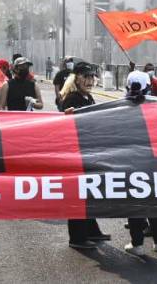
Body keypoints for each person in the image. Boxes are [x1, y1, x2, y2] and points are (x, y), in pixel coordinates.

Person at [60, 63, 109, 249]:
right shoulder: (72, 98)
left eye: (91, 77)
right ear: (76, 78)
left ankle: (91, 230)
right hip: (76, 153)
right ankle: (78, 237)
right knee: (79, 195)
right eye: (86, 77)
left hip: (88, 151)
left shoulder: (86, 97)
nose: (90, 81)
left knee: (88, 193)